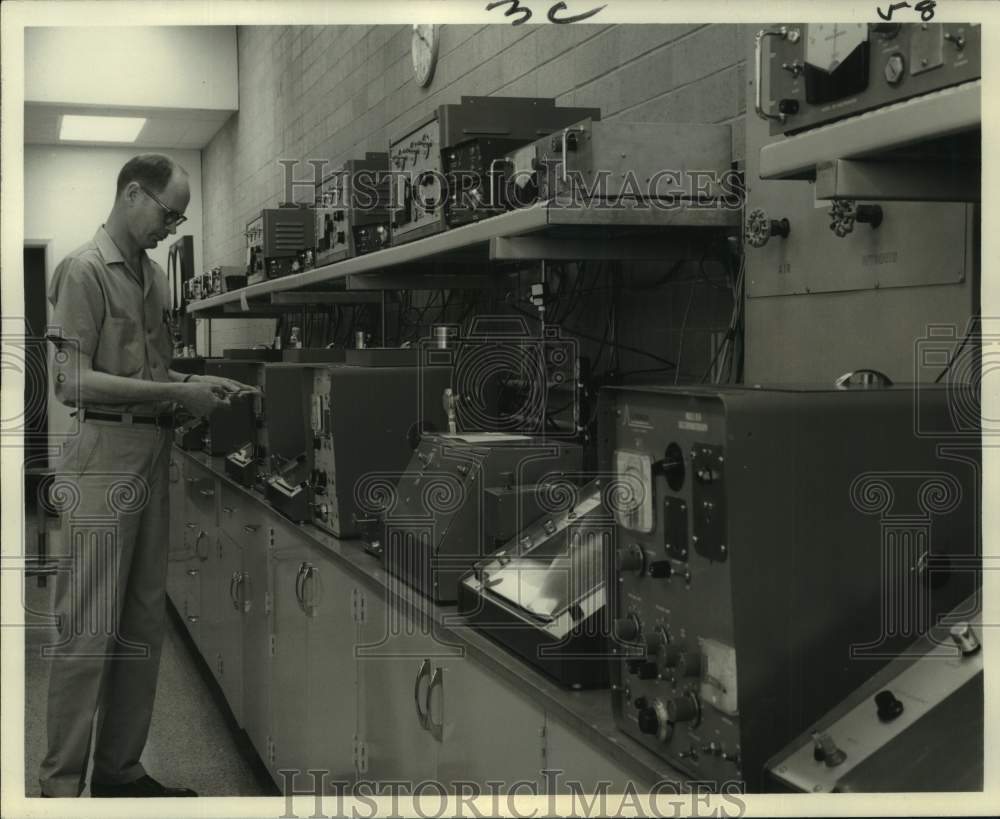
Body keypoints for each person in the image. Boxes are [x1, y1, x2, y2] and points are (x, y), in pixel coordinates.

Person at [40, 153, 255, 798]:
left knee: (139, 623)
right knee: (88, 630)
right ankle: (57, 789)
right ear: (133, 194)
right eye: (168, 212)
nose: (172, 225)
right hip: (103, 454)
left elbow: (154, 377)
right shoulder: (83, 271)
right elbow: (68, 380)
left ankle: (119, 771)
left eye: (179, 216)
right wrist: (173, 396)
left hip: (151, 453)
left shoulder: (153, 277)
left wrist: (193, 384)